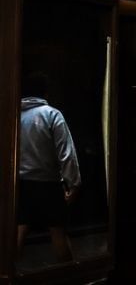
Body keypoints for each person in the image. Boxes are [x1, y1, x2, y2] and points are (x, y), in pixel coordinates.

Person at [17, 72, 81, 263]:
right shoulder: (52, 115)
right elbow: (66, 153)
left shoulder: (13, 115)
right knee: (57, 231)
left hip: (20, 184)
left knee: (18, 230)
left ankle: (6, 275)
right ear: (45, 92)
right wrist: (74, 184)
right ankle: (68, 275)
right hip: (48, 184)